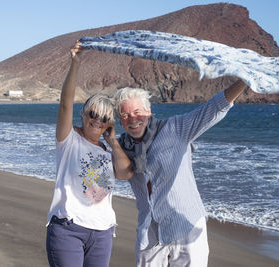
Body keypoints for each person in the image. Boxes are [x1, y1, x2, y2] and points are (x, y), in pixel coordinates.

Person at [113, 79, 248, 266]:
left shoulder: (176, 128)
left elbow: (214, 108)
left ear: (149, 112)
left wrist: (244, 80)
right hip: (150, 231)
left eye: (137, 112)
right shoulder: (121, 147)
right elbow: (120, 174)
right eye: (125, 115)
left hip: (185, 225)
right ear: (120, 121)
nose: (133, 119)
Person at [46, 42, 133, 267]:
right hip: (68, 229)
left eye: (104, 118)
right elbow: (65, 105)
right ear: (84, 115)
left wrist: (113, 142)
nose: (97, 120)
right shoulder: (69, 141)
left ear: (109, 124)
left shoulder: (108, 150)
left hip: (103, 232)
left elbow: (125, 173)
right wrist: (75, 62)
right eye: (93, 113)